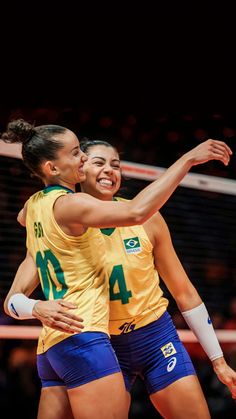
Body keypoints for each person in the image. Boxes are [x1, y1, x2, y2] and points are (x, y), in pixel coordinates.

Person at [2, 119, 232, 419]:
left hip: (151, 336)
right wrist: (188, 159)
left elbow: (185, 292)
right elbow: (136, 210)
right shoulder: (69, 216)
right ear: (78, 170)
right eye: (92, 160)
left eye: (116, 164)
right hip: (98, 343)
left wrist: (218, 360)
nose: (108, 169)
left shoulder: (40, 208)